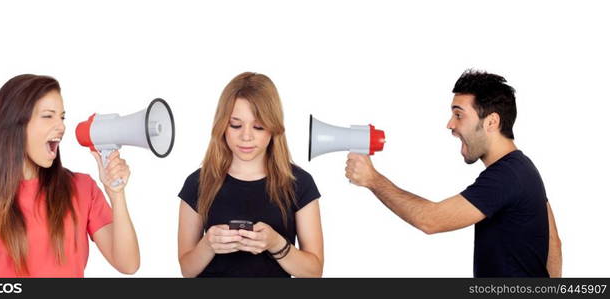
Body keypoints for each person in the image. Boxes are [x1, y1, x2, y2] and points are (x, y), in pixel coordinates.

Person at [345, 69, 562, 277]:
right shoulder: (523, 168)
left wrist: (372, 179)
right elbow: (553, 242)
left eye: (459, 115)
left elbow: (430, 220)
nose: (450, 124)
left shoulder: (506, 177)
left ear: (491, 122)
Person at [0, 74, 140, 277]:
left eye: (62, 117)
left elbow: (128, 264)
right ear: (15, 124)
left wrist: (116, 194)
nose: (61, 126)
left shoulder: (82, 188)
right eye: (48, 116)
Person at [177, 72, 324, 277]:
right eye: (235, 125)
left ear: (273, 128)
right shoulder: (198, 182)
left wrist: (276, 244)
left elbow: (314, 271)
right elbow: (187, 269)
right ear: (222, 126)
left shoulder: (300, 183)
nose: (246, 136)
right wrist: (208, 245)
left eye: (258, 126)